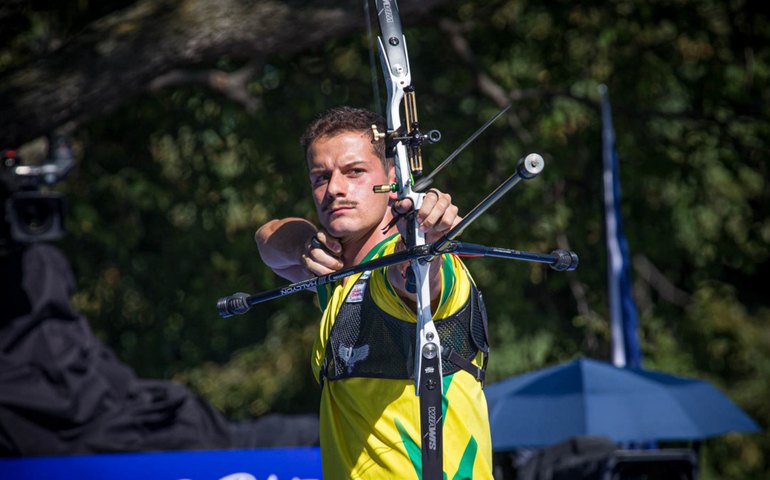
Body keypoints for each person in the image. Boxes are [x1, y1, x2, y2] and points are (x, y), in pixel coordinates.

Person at [255, 106, 492, 478]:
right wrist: (304, 244)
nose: (334, 189)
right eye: (321, 177)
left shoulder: (397, 267)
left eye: (355, 172)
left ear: (393, 179)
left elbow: (413, 280)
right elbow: (267, 239)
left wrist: (422, 248)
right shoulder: (335, 275)